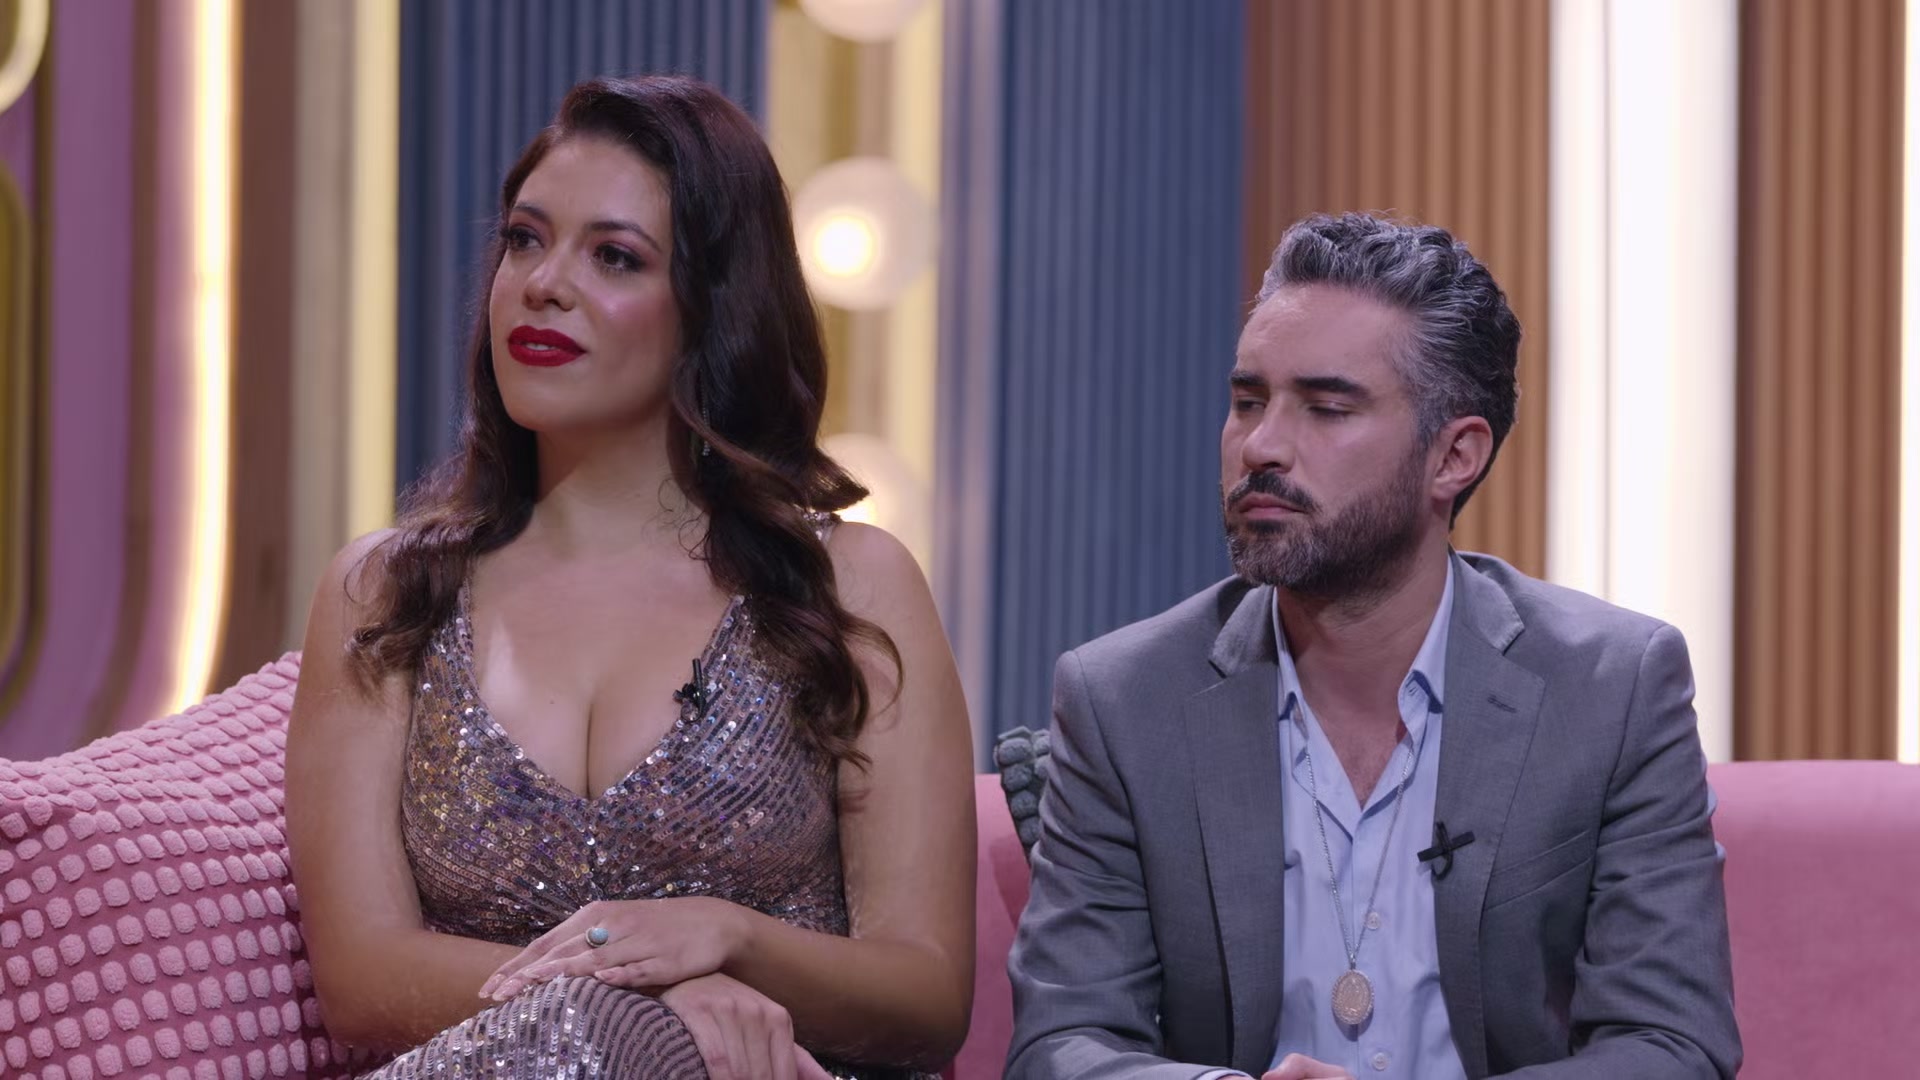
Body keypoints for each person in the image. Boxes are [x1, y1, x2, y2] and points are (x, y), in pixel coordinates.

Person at [285, 74, 975, 1080]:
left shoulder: (848, 587)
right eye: (525, 240)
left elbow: (926, 995)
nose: (543, 284)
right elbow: (362, 977)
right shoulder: (387, 592)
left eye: (614, 256)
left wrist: (728, 939)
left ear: (711, 309)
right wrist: (638, 1003)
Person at [1005, 213, 1740, 1080]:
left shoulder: (1612, 687)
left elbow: (1672, 1047)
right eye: (1248, 401)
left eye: (1326, 408)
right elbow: (1061, 1044)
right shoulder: (1124, 699)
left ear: (1454, 456)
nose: (1261, 446)